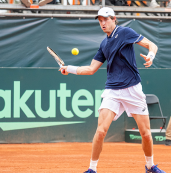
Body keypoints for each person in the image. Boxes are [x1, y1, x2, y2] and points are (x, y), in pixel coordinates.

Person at [59, 7, 165, 173]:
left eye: (106, 19)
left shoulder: (124, 32)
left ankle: (150, 166)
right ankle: (92, 169)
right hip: (113, 91)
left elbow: (151, 45)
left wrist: (150, 56)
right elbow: (91, 69)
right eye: (100, 20)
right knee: (101, 131)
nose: (103, 23)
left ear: (114, 19)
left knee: (145, 133)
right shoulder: (104, 44)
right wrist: (69, 68)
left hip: (133, 89)